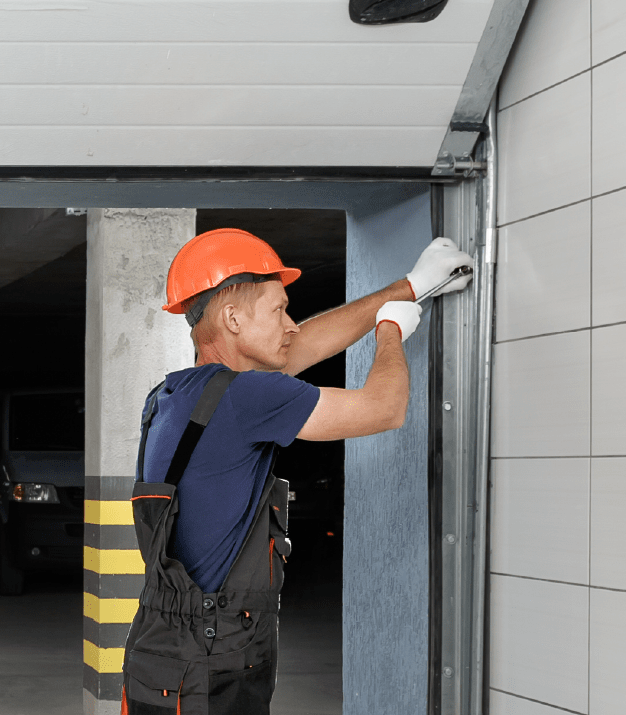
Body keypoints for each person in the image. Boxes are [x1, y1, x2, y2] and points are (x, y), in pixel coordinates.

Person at [121, 228, 473, 715]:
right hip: (212, 667)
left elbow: (303, 343)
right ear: (233, 319)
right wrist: (390, 329)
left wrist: (410, 286)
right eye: (278, 310)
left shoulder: (175, 397)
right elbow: (384, 408)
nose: (290, 324)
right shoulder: (247, 398)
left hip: (160, 655)